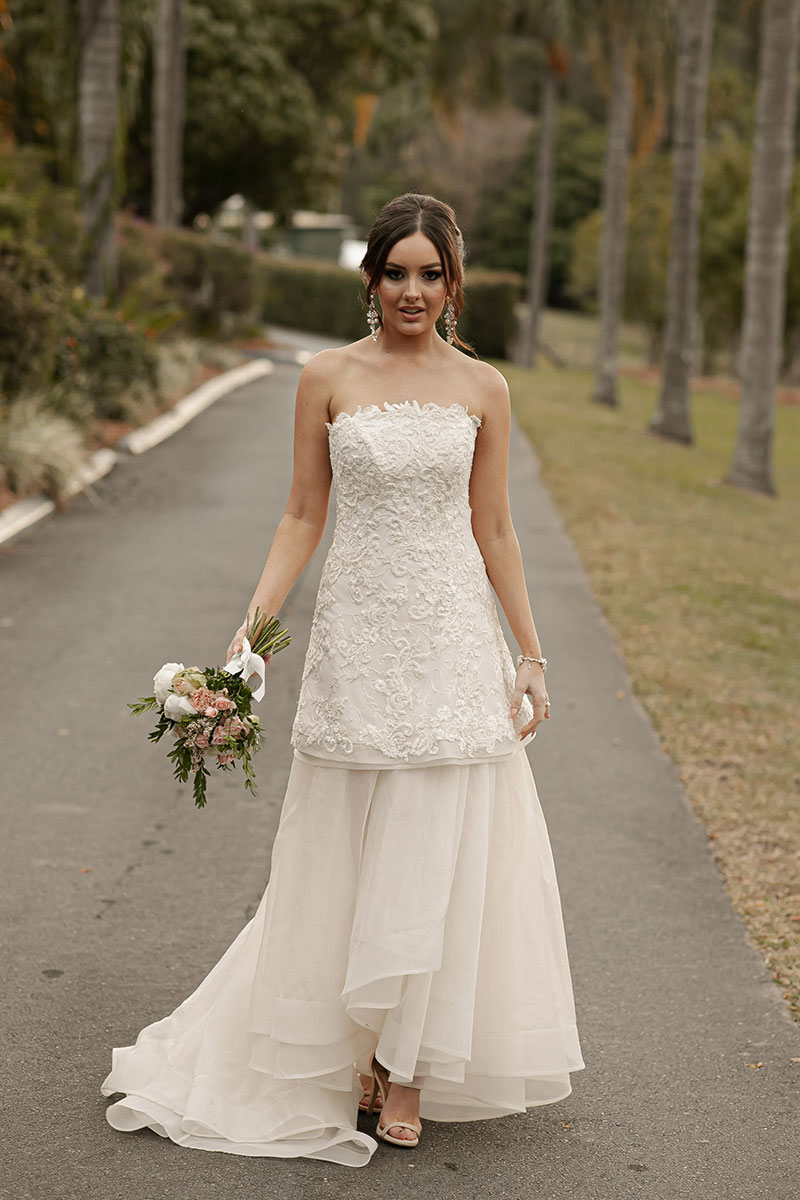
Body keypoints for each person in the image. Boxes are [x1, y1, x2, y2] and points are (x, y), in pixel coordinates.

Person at [101, 193, 584, 1167]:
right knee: (348, 847)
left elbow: (493, 529)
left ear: (453, 284)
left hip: (450, 640)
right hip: (356, 638)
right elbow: (299, 515)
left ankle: (407, 1066)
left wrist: (527, 655)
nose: (412, 290)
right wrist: (249, 636)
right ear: (369, 280)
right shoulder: (325, 378)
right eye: (395, 272)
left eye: (429, 273)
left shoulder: (483, 389)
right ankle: (357, 1052)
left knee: (435, 845)